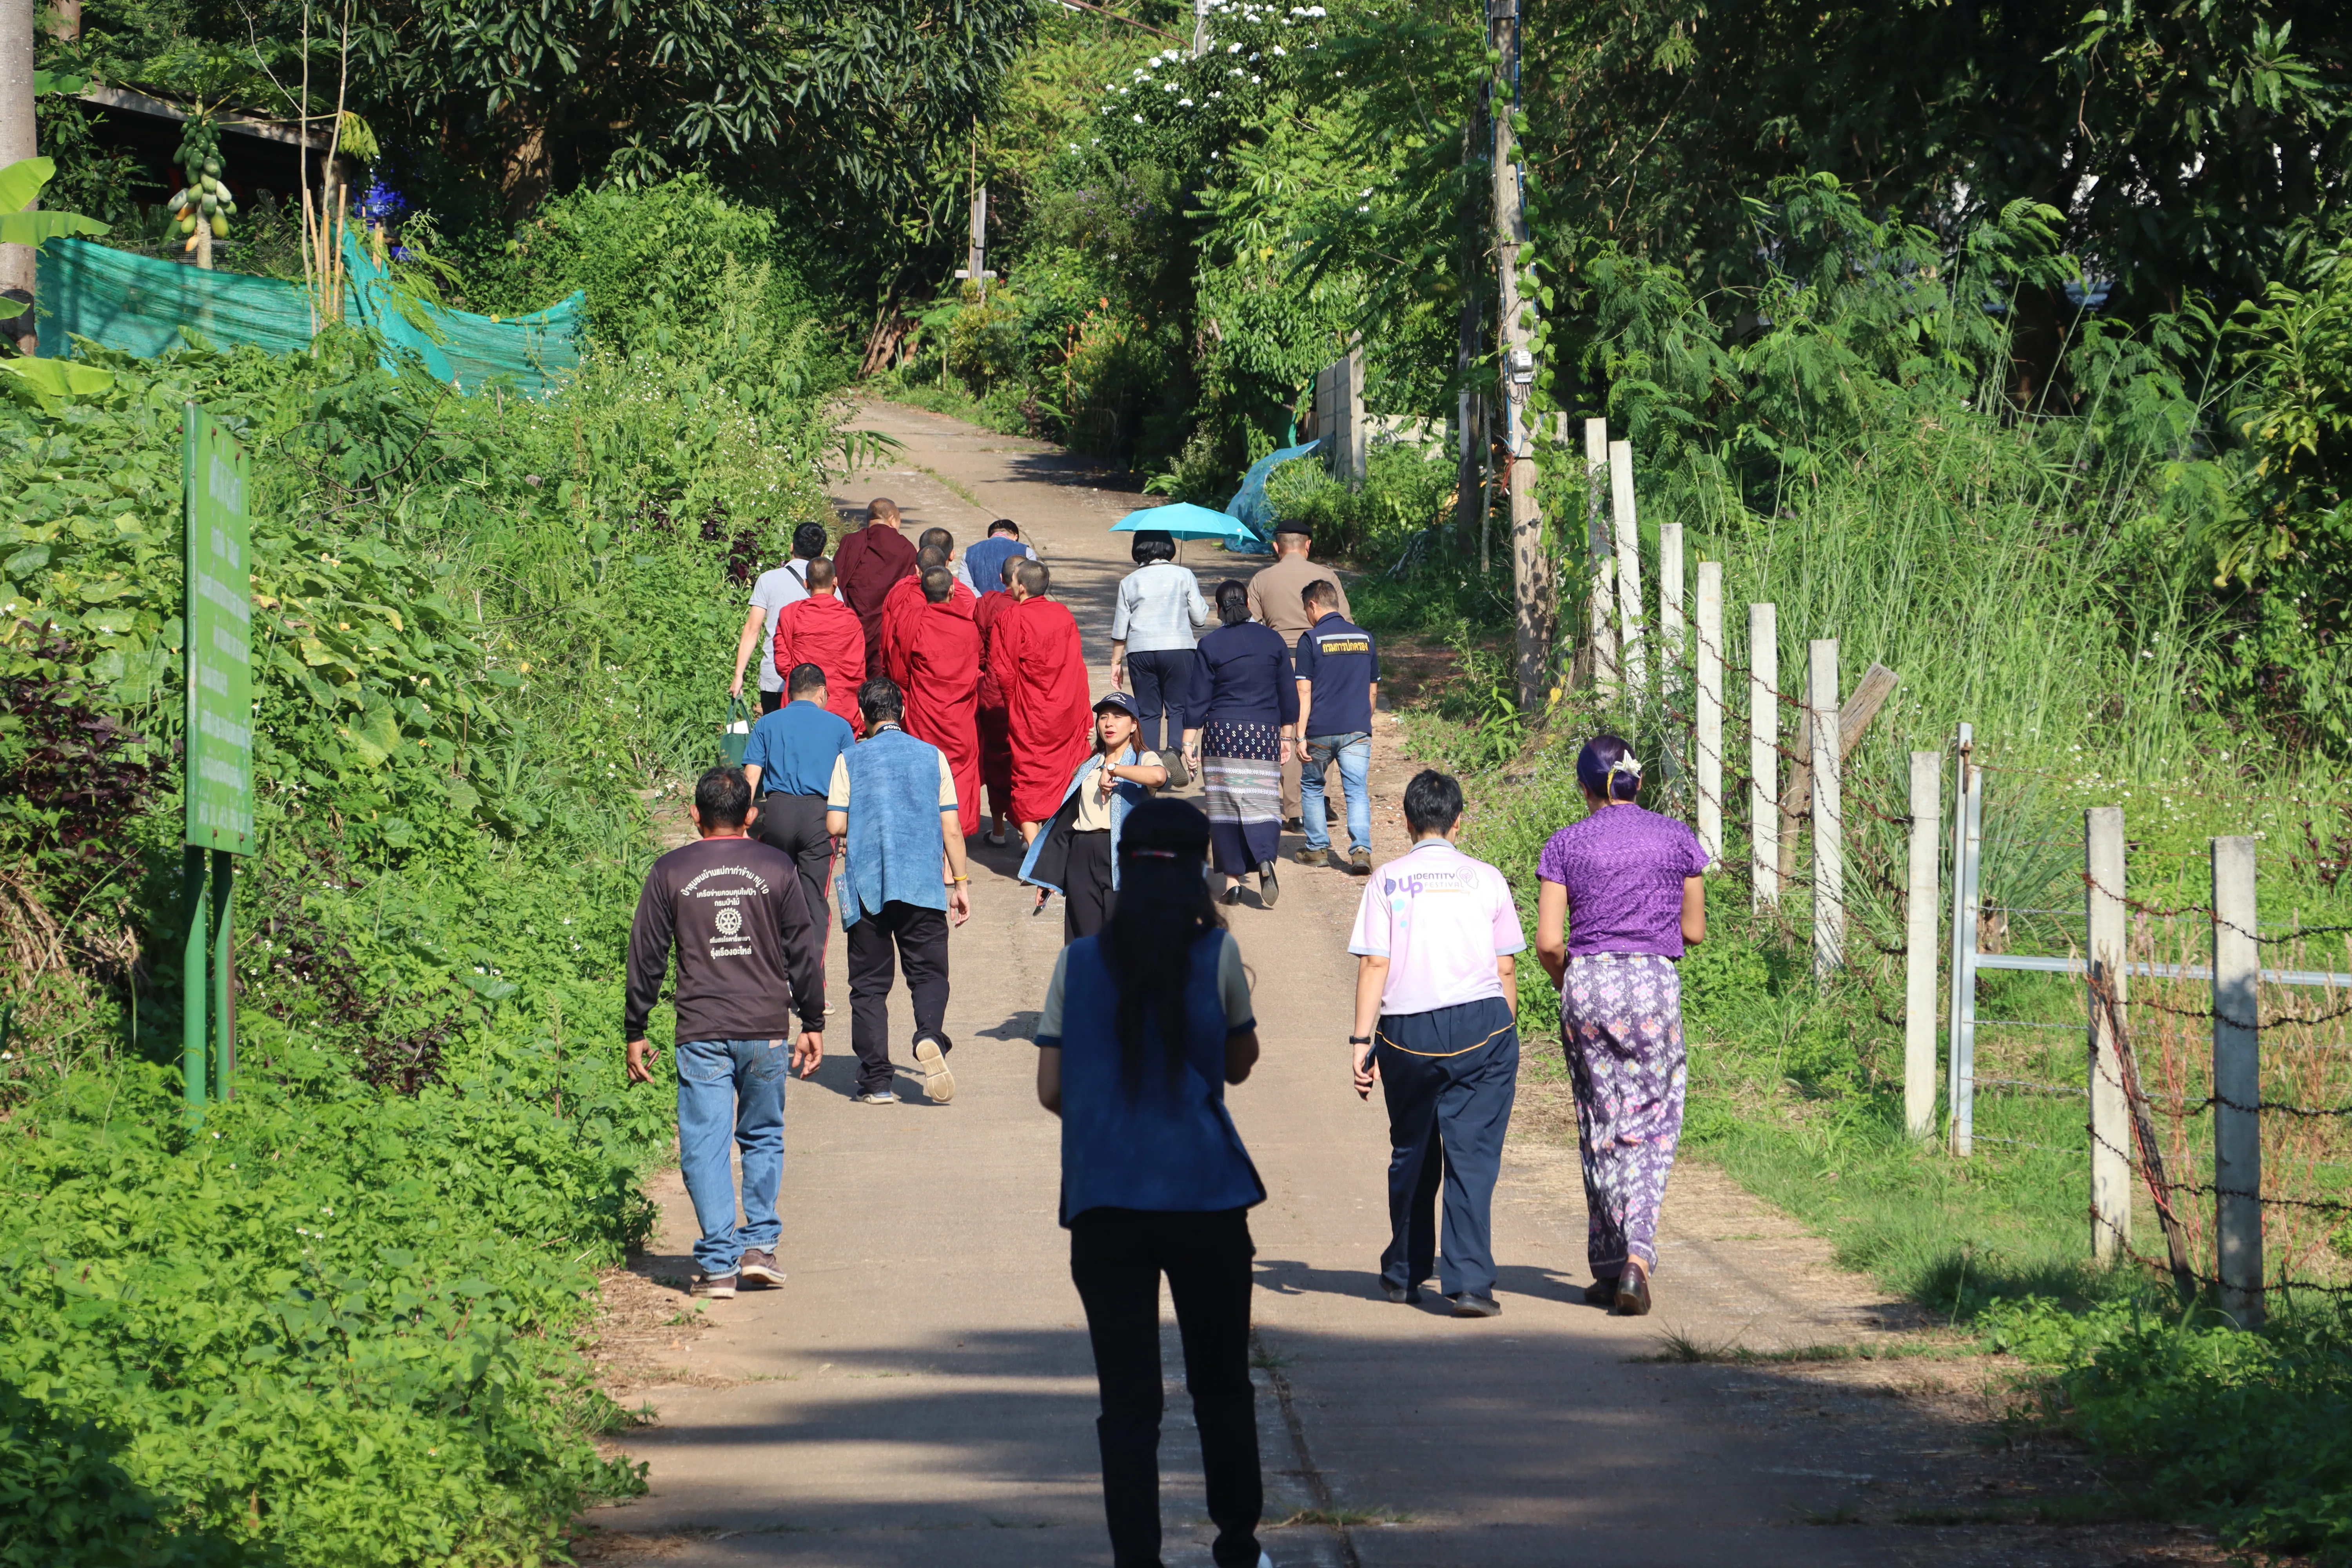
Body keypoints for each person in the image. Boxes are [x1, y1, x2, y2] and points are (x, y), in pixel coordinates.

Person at [1033, 799, 1270, 1568]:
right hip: (1204, 1196)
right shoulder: (1218, 954)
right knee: (1222, 1384)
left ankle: (1138, 1556)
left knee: (1129, 1403)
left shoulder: (1077, 962)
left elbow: (1050, 1088)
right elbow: (1237, 1063)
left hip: (1105, 1201)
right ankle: (1237, 1541)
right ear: (1200, 865)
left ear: (1125, 867)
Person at [625, 766, 826, 1298]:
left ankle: (719, 1263)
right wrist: (813, 1019)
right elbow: (802, 950)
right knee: (761, 1136)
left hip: (701, 1030)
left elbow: (646, 954)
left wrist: (636, 1025)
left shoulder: (670, 872)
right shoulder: (776, 867)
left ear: (695, 817)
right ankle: (758, 1246)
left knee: (705, 1143)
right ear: (752, 817)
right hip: (764, 1028)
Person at [1531, 735, 1707, 1318]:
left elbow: (1550, 942)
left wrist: (1573, 986)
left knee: (1601, 1121)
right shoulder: (1678, 838)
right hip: (1653, 986)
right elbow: (1695, 931)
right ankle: (1636, 1257)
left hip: (1588, 985)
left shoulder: (1565, 844)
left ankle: (1609, 1268)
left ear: (1585, 788)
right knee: (1653, 1125)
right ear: (1638, 782)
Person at [1348, 770, 1525, 1318]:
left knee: (1413, 1151)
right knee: (1471, 1158)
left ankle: (1404, 1272)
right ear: (1459, 822)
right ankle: (1470, 1284)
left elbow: (1376, 962)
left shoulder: (1387, 880)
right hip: (1483, 1026)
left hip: (1407, 1033)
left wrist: (1361, 1041)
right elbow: (1505, 968)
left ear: (1405, 821)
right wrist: (1503, 1034)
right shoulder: (1486, 878)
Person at [827, 676, 974, 1106]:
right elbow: (951, 827)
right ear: (903, 713)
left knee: (869, 985)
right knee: (928, 973)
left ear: (863, 717)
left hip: (868, 886)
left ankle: (876, 1082)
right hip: (922, 884)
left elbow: (835, 825)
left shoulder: (849, 759)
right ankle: (929, 1034)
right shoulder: (933, 757)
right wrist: (960, 884)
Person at [1018, 692, 1169, 941]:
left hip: (1125, 858)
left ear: (1134, 725)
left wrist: (1114, 769)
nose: (1109, 723)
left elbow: (1159, 777)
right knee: (1084, 943)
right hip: (1083, 856)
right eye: (1103, 718)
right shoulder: (1089, 765)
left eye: (1118, 717)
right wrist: (1049, 876)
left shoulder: (1143, 758)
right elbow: (1066, 824)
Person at [1193, 579, 1297, 908]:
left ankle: (1234, 882)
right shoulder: (1273, 640)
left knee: (1225, 806)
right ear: (1250, 606)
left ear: (1220, 609)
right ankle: (1265, 858)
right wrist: (1287, 735)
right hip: (1263, 732)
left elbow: (1197, 697)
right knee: (1263, 799)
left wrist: (1185, 742)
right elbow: (1288, 695)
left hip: (1222, 732)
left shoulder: (1211, 644)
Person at [743, 661, 856, 947]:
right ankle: (812, 985)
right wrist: (846, 830)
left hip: (778, 813)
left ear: (790, 693)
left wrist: (741, 826)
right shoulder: (840, 727)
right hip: (820, 817)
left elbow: (751, 777)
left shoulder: (767, 724)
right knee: (814, 903)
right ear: (822, 692)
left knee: (774, 896)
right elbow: (850, 782)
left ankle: (776, 976)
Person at [1246, 526, 1350, 829]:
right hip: (1325, 658)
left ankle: (1295, 810)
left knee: (1289, 730)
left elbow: (1253, 627)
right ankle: (1323, 800)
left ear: (1277, 548)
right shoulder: (1327, 576)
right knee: (1322, 725)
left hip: (1283, 661)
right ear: (1308, 546)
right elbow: (1345, 621)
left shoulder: (1262, 580)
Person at [995, 559, 1095, 844]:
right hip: (1067, 709)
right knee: (1065, 774)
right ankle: (1056, 843)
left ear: (1022, 588)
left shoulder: (1011, 618)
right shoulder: (1064, 615)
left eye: (1012, 581)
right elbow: (1076, 666)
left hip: (1031, 715)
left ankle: (1036, 852)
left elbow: (1004, 673)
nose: (1010, 585)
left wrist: (1017, 706)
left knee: (1028, 778)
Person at [1291, 578, 1379, 875]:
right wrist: (1364, 722)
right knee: (1356, 791)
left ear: (1314, 604)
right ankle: (1362, 851)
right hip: (1357, 729)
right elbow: (1372, 691)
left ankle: (1317, 849)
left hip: (1320, 730)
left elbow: (1304, 692)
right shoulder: (1365, 638)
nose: (1307, 615)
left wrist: (1299, 735)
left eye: (1306, 609)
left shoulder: (1310, 640)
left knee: (1314, 786)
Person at [1109, 529, 1210, 788]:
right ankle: (1174, 751)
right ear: (1168, 547)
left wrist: (1116, 662)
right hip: (1178, 647)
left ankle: (1151, 768)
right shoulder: (1183, 575)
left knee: (1148, 711)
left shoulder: (1129, 581)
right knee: (1178, 707)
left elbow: (1121, 627)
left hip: (1140, 650)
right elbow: (1199, 619)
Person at [899, 567, 985, 840]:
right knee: (959, 773)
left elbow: (900, 669)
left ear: (923, 591)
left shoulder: (911, 621)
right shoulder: (968, 627)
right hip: (959, 715)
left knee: (925, 771)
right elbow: (977, 668)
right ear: (951, 590)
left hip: (924, 711)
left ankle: (931, 839)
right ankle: (953, 847)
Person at [731, 521, 827, 713]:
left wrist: (739, 675)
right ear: (822, 554)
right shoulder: (830, 587)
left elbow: (752, 629)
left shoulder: (769, 579)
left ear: (792, 547)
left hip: (775, 680)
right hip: (814, 684)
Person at [769, 558, 866, 729]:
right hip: (841, 706)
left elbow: (783, 664)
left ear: (806, 583)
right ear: (835, 581)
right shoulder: (850, 619)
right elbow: (858, 670)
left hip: (801, 704)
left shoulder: (790, 614)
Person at [832, 498, 917, 668]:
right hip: (885, 632)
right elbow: (910, 593)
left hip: (852, 629)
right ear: (892, 519)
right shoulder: (905, 548)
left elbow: (836, 581)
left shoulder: (850, 542)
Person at [973, 553, 1021, 845]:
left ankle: (1001, 830)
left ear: (1003, 579)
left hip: (993, 691)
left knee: (996, 758)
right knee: (1025, 757)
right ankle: (1028, 830)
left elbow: (977, 647)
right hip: (1030, 693)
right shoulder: (1042, 612)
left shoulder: (988, 603)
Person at [881, 541, 974, 682]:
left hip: (915, 685)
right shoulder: (962, 600)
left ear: (918, 570)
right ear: (945, 569)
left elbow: (889, 636)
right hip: (958, 687)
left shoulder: (900, 592)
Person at [965, 518, 1034, 598]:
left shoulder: (969, 553)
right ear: (1016, 537)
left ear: (989, 538)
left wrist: (985, 603)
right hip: (1017, 607)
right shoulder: (1026, 551)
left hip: (981, 607)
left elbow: (967, 589)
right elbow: (1032, 585)